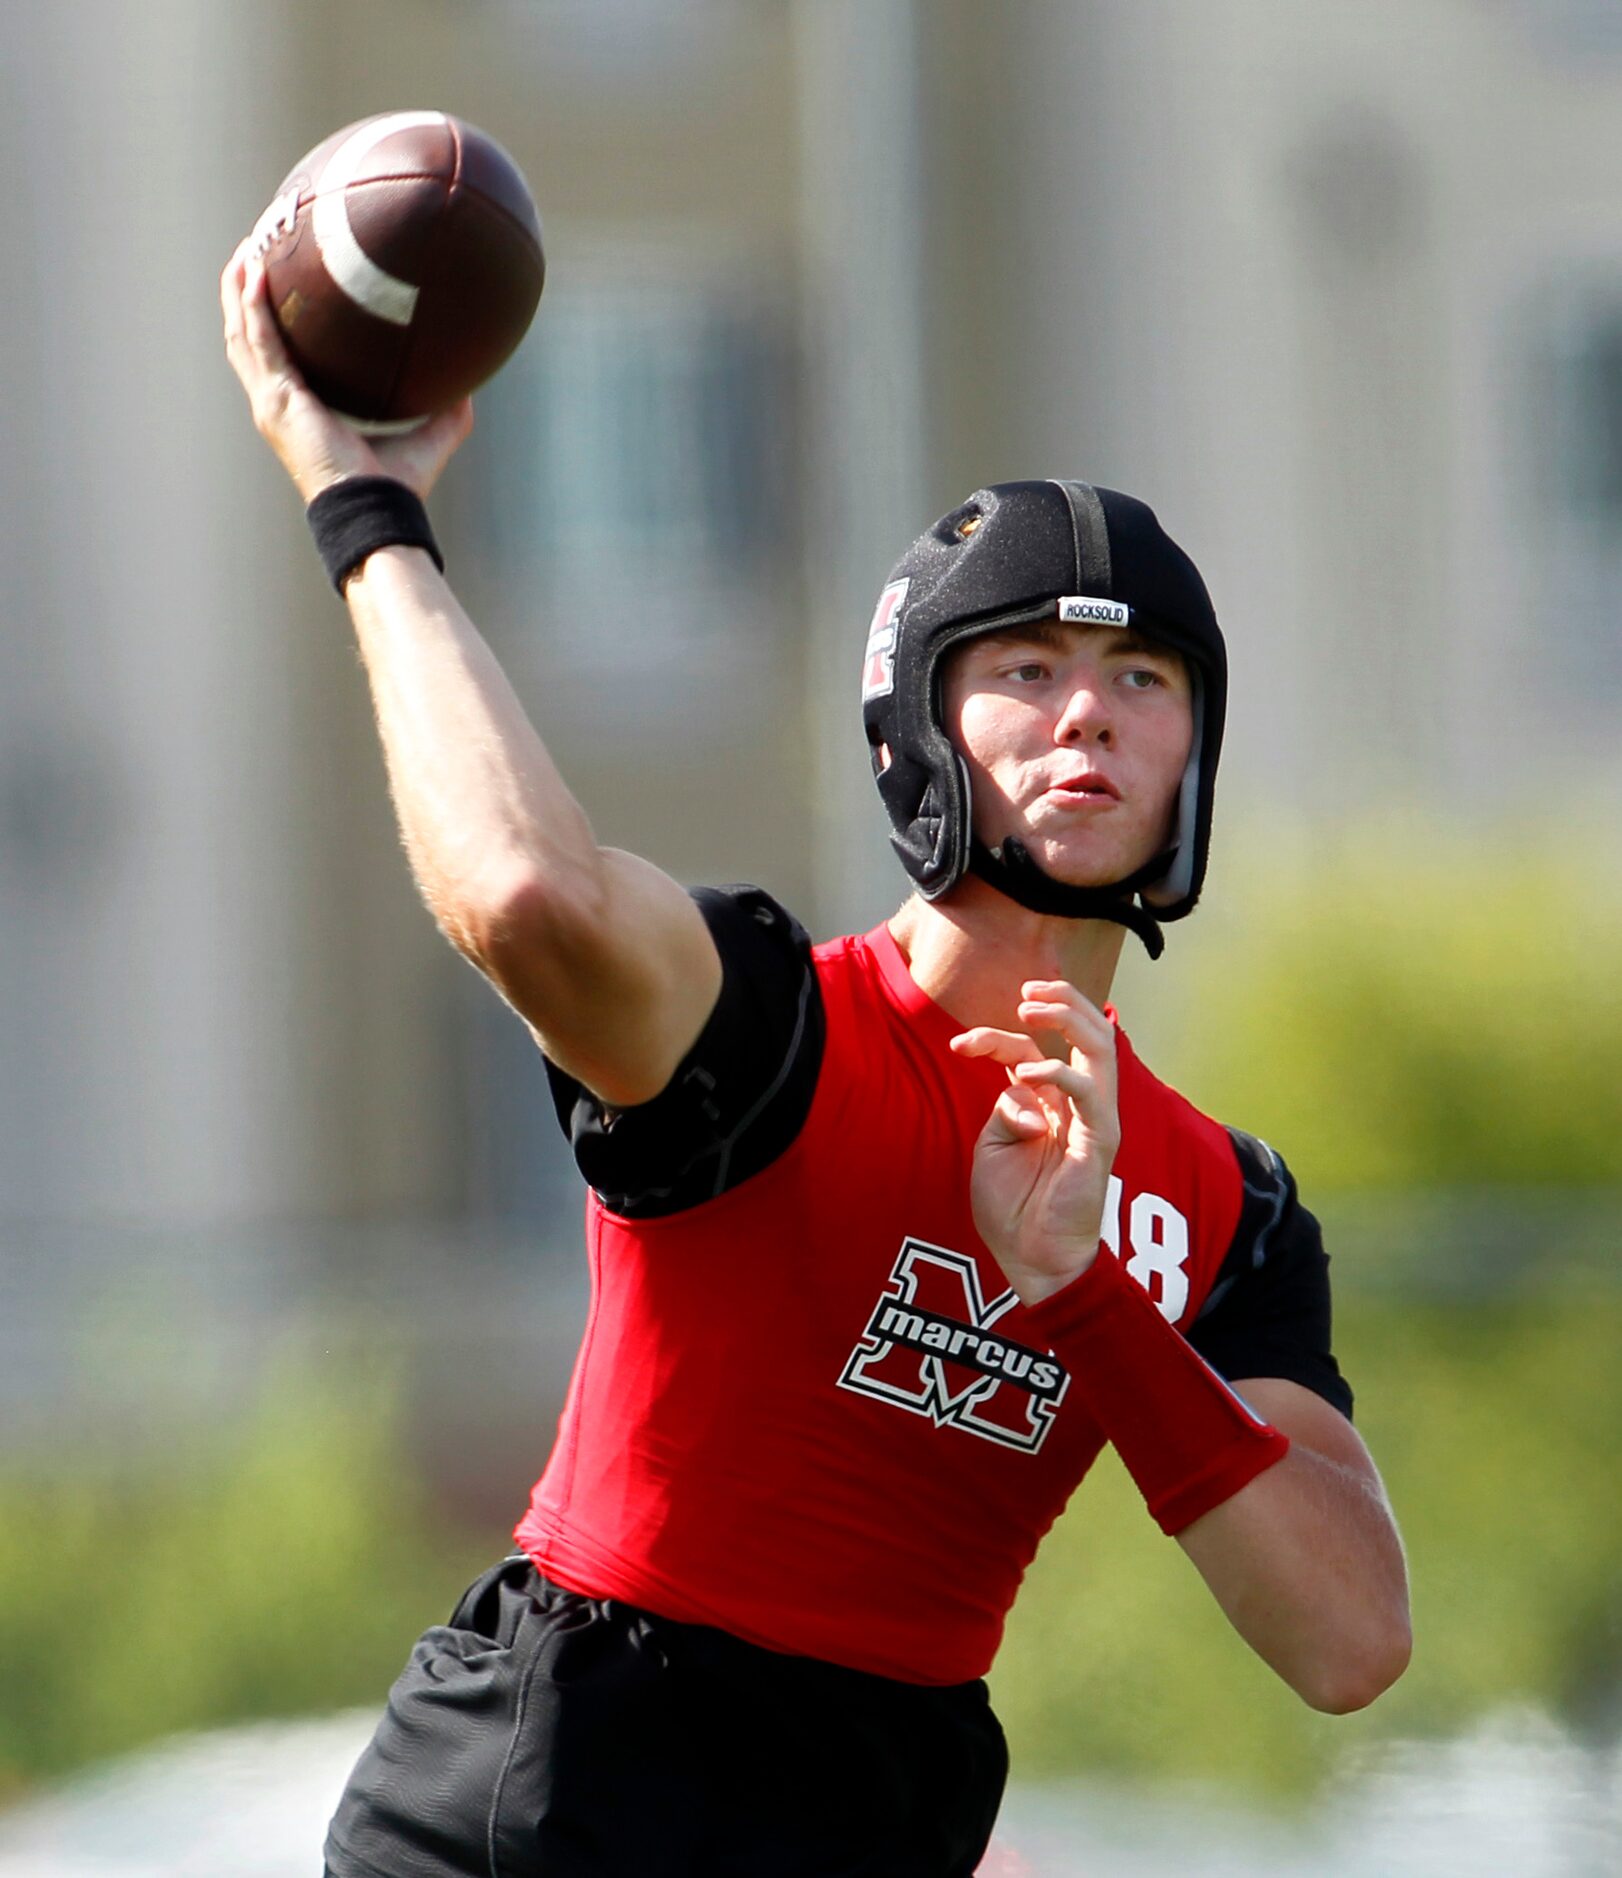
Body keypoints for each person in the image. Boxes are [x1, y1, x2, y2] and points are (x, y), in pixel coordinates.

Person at [221, 242, 1411, 1878]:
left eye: (1141, 677)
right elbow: (519, 892)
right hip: (563, 1793)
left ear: (1192, 749)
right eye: (1024, 670)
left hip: (876, 1806)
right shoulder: (771, 1021)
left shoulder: (1218, 1201)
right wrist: (369, 517)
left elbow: (1347, 1640)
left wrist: (1078, 1293)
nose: (1089, 718)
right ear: (915, 727)